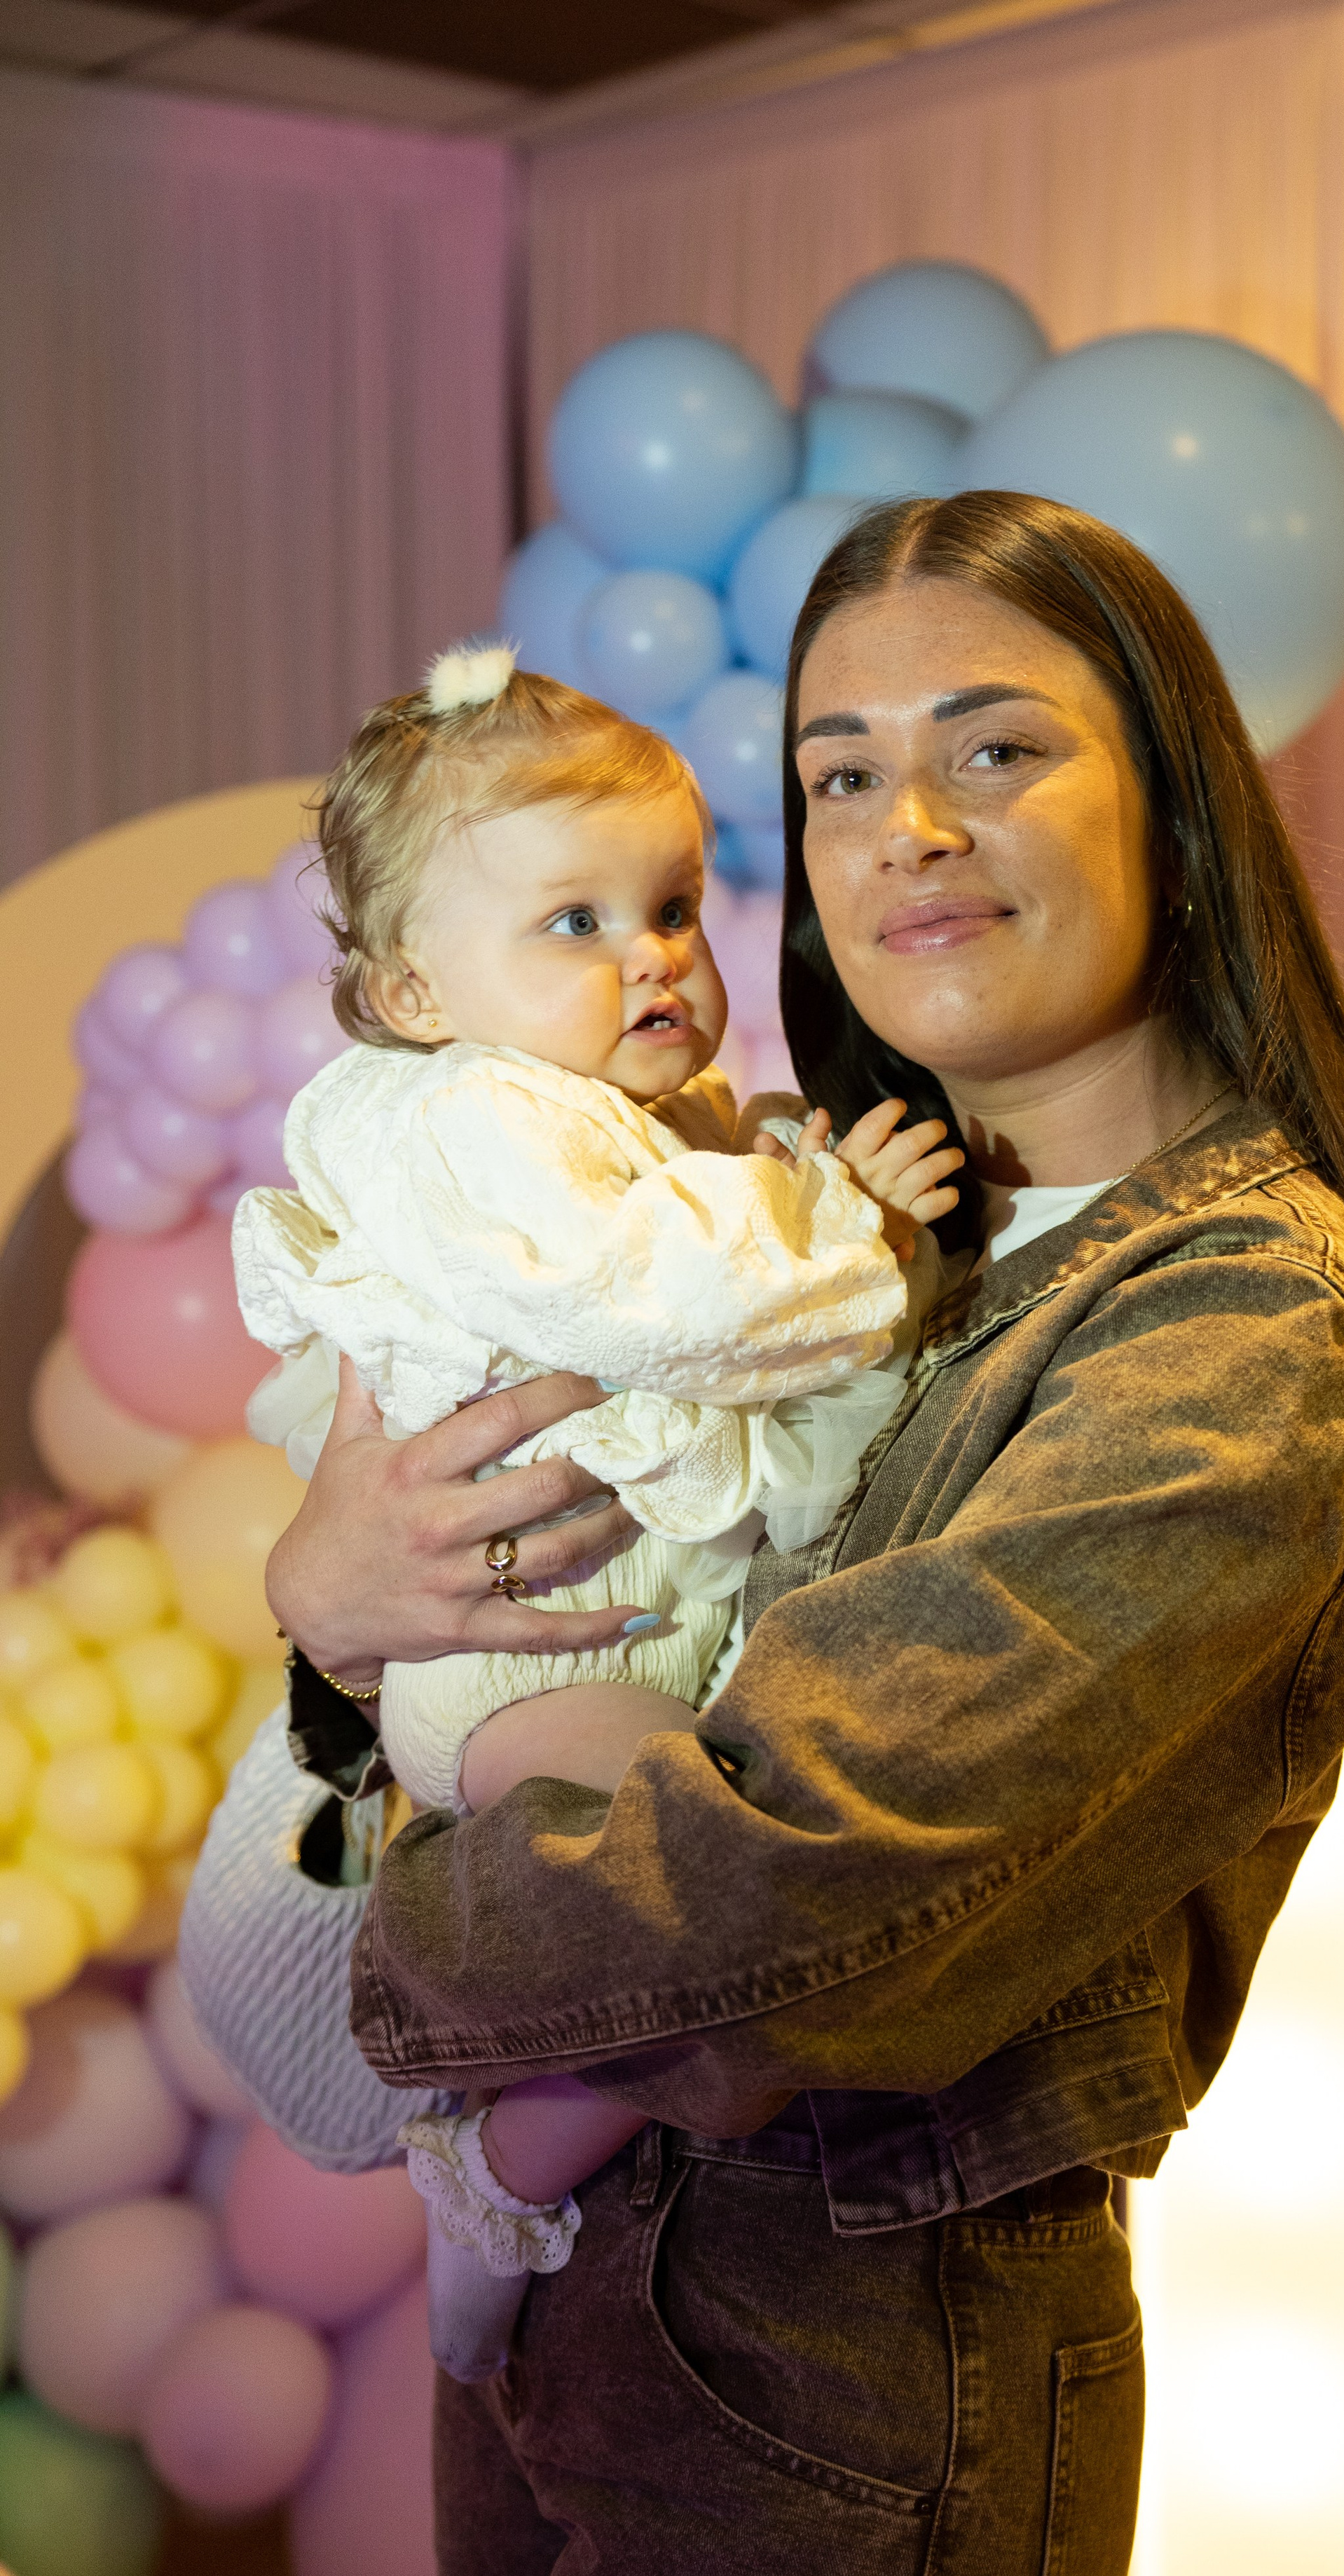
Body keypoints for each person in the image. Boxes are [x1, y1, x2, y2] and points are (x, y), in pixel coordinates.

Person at [231, 490, 1344, 2576]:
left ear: (1175, 799)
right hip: (576, 2288)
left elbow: (790, 1886)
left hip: (842, 2379)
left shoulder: (1244, 1329)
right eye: (837, 773)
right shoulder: (815, 1221)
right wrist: (334, 1625)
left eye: (997, 749)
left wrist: (370, 1967)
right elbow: (506, 1639)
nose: (908, 823)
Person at [229, 645, 959, 2380]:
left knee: (688, 1915)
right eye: (573, 922)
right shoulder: (478, 1123)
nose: (652, 956)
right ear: (415, 992)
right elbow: (664, 1300)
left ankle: (508, 2141)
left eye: (672, 905)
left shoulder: (634, 1116)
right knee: (697, 1912)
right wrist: (846, 1231)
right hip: (521, 1661)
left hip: (619, 1626)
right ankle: (488, 2183)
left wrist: (796, 1194)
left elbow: (763, 1375)